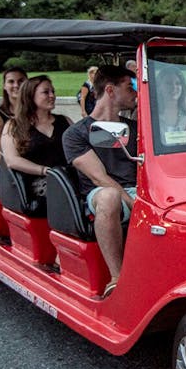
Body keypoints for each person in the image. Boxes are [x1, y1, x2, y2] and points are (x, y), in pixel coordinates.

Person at [62, 64, 138, 298]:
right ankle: (117, 277)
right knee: (109, 196)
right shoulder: (76, 134)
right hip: (101, 194)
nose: (136, 92)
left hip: (141, 190)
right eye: (130, 87)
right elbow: (100, 178)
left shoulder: (135, 128)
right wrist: (137, 205)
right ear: (110, 90)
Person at [1, 75, 72, 197]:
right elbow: (12, 160)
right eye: (46, 92)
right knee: (62, 191)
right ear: (30, 96)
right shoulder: (14, 125)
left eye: (53, 92)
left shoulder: (65, 121)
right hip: (37, 182)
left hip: (68, 176)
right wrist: (45, 170)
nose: (52, 96)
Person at [0, 66, 27, 164]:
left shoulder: (36, 112)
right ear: (4, 86)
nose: (16, 85)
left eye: (21, 81)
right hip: (12, 171)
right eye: (11, 81)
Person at [154, 65, 186, 143]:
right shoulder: (149, 113)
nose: (174, 87)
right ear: (159, 87)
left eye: (178, 83)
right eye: (168, 83)